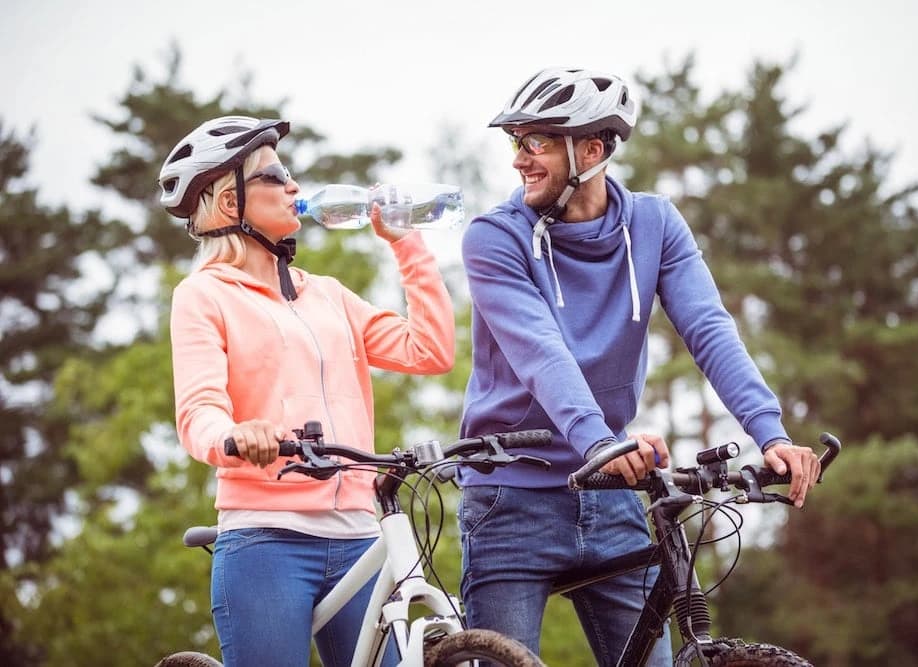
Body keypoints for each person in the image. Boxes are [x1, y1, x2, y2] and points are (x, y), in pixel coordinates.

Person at [456, 67, 822, 665]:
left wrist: (770, 430)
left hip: (614, 494)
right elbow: (542, 353)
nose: (520, 159)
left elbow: (709, 328)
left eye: (536, 142)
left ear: (591, 150)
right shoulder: (495, 238)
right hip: (510, 498)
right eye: (516, 142)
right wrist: (601, 440)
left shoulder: (653, 223)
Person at [160, 116, 455, 667]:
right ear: (230, 203)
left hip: (360, 537)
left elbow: (430, 350)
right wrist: (234, 435)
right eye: (277, 176)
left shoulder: (329, 295)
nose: (295, 187)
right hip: (266, 542)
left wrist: (406, 242)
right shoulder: (203, 295)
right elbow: (199, 412)